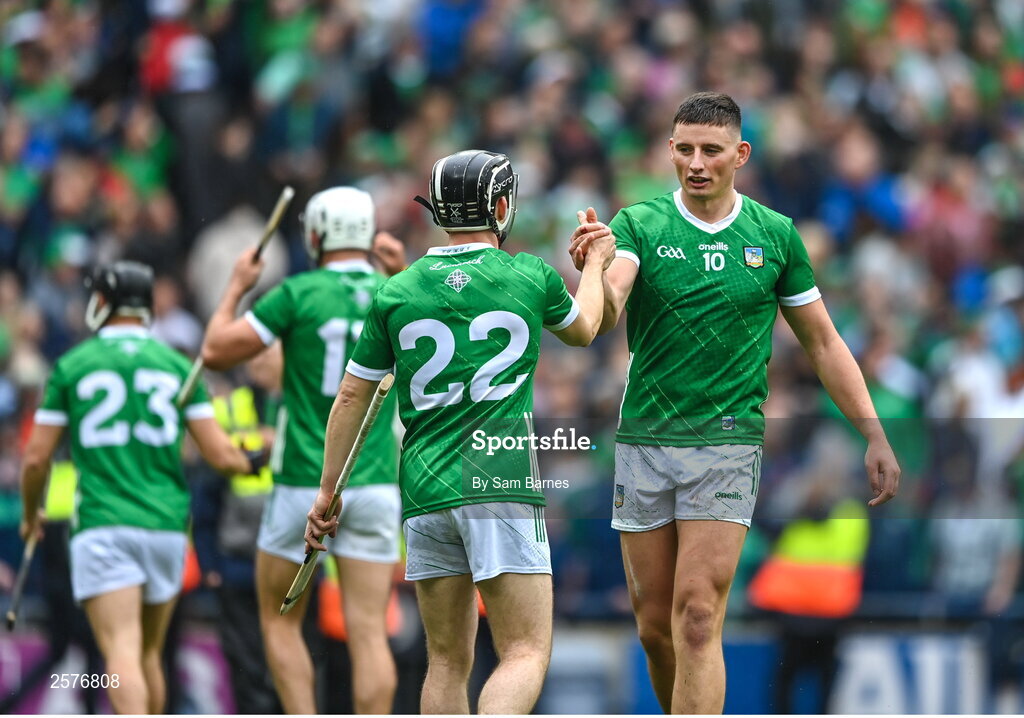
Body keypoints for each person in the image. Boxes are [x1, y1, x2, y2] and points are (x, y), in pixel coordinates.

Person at [569, 91, 902, 714]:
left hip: (727, 440)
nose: (697, 163)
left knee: (697, 615)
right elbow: (609, 307)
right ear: (670, 150)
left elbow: (825, 343)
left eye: (711, 151)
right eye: (685, 150)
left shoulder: (774, 236)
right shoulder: (640, 223)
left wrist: (874, 433)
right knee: (653, 626)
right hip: (644, 439)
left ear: (739, 154)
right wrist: (593, 268)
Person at [305, 149, 615, 714]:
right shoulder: (529, 275)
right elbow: (589, 326)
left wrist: (328, 491)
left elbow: (351, 397)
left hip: (423, 489)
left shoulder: (396, 291)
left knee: (446, 663)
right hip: (499, 480)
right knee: (523, 651)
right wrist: (595, 265)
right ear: (501, 206)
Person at [19, 261, 256, 714]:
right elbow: (221, 455)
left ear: (103, 304)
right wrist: (258, 457)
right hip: (167, 528)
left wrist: (31, 516)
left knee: (121, 653)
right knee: (149, 654)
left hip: (105, 526)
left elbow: (35, 459)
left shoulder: (73, 364)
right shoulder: (175, 364)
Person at [199, 187, 402, 714]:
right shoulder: (396, 290)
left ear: (315, 236)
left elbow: (216, 351)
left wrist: (236, 288)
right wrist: (399, 272)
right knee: (369, 634)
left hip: (302, 484)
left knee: (279, 620)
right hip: (377, 480)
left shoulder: (298, 293)